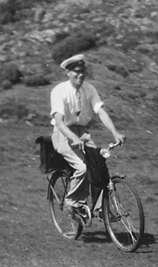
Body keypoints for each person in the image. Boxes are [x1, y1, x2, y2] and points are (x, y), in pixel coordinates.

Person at [49, 54, 126, 226]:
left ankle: (101, 208)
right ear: (68, 73)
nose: (80, 75)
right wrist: (73, 138)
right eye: (76, 71)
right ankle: (72, 204)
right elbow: (59, 122)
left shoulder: (89, 89)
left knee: (99, 164)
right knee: (82, 167)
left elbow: (101, 112)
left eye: (82, 71)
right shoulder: (59, 91)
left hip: (82, 133)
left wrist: (115, 132)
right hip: (63, 133)